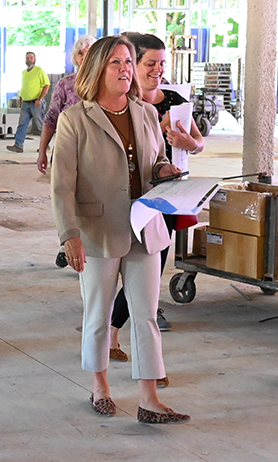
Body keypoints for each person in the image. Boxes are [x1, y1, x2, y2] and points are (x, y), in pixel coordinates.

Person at [51, 36, 190, 424]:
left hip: (144, 226)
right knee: (98, 312)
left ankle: (149, 399)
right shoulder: (75, 119)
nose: (126, 69)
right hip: (97, 229)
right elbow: (62, 185)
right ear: (96, 69)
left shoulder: (145, 113)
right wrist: (69, 234)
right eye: (116, 62)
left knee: (145, 313)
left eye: (128, 61)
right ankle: (100, 386)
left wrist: (165, 171)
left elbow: (156, 161)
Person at [105, 32, 207, 380]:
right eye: (150, 63)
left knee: (150, 273)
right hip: (127, 201)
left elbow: (198, 144)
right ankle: (110, 337)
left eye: (162, 64)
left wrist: (185, 142)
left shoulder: (174, 101)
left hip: (167, 197)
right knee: (127, 273)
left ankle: (132, 350)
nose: (157, 70)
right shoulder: (123, 102)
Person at [35, 35, 95, 270]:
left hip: (95, 152)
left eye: (90, 51)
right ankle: (66, 243)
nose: (86, 56)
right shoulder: (65, 85)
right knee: (65, 197)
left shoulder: (105, 84)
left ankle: (87, 245)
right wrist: (42, 151)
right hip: (67, 149)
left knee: (90, 201)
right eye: (81, 53)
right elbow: (51, 119)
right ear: (76, 58)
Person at [6, 52, 50, 154]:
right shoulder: (24, 73)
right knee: (22, 124)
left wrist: (40, 98)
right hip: (25, 103)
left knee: (40, 125)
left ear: (34, 59)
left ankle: (45, 146)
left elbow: (46, 85)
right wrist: (21, 100)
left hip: (36, 102)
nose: (29, 59)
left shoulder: (39, 71)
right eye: (27, 58)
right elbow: (24, 87)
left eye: (31, 57)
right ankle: (18, 145)